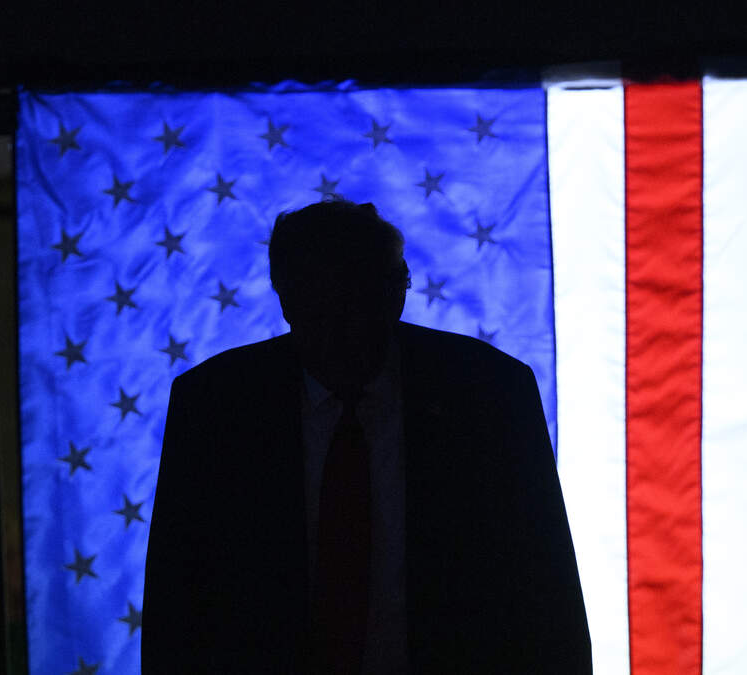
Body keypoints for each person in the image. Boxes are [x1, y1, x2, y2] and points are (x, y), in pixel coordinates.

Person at [142, 199, 591, 673]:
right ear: (287, 299)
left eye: (360, 295)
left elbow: (546, 588)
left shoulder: (488, 395)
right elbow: (178, 599)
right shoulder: (215, 406)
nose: (345, 322)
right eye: (324, 299)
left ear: (398, 293)